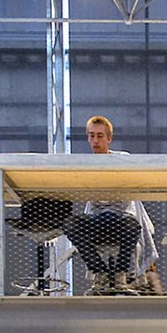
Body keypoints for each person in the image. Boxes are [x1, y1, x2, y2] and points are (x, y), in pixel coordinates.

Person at [63, 116, 159, 296]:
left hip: (121, 219)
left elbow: (130, 191)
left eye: (100, 136)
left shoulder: (123, 160)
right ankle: (101, 272)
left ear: (109, 139)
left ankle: (120, 276)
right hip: (97, 221)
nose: (95, 140)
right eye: (91, 136)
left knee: (132, 225)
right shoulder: (85, 166)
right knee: (70, 224)